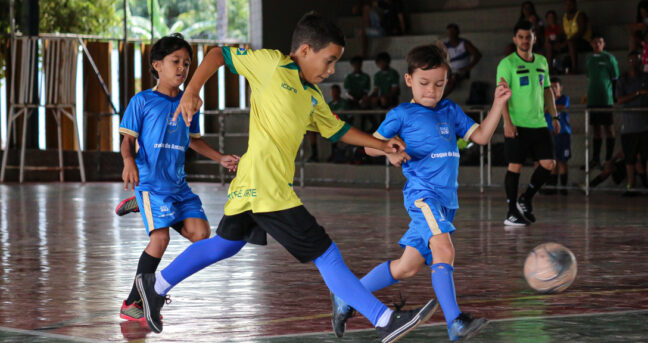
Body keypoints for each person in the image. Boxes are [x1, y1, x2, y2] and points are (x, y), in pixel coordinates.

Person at [134, 12, 438, 342]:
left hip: (254, 185)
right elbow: (217, 54)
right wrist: (192, 90)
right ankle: (384, 320)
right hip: (266, 186)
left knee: (224, 245)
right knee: (326, 253)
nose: (332, 70)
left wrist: (382, 145)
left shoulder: (312, 96)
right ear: (305, 51)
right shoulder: (271, 65)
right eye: (329, 60)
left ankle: (156, 284)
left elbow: (337, 130)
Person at [330, 44, 511, 341]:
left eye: (439, 84)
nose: (432, 91)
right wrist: (388, 151)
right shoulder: (402, 114)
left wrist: (498, 105)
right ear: (409, 80)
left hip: (445, 201)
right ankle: (455, 322)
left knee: (406, 267)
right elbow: (368, 145)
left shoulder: (450, 110)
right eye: (424, 83)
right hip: (422, 196)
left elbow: (480, 136)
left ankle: (345, 297)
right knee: (444, 248)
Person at [117, 33, 240, 322]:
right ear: (157, 65)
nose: (182, 68)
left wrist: (219, 157)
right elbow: (126, 139)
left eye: (187, 63)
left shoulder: (190, 102)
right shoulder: (143, 100)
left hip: (178, 185)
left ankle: (147, 207)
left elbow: (194, 140)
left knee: (201, 234)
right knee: (159, 240)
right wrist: (127, 161)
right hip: (150, 182)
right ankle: (133, 302)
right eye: (176, 61)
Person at [496, 20, 560, 227]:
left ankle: (526, 198)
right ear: (515, 39)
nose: (525, 41)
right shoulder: (507, 64)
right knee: (514, 166)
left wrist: (555, 116)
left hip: (539, 123)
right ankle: (511, 211)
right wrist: (507, 122)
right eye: (521, 37)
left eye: (528, 37)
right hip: (517, 124)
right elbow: (501, 95)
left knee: (549, 164)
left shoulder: (542, 61)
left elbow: (547, 90)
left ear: (534, 38)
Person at [615, 51, 648, 195]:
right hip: (629, 126)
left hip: (645, 125)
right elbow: (619, 100)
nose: (634, 63)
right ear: (628, 62)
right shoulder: (623, 79)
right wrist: (637, 93)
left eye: (637, 60)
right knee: (630, 159)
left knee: (646, 157)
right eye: (631, 60)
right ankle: (631, 186)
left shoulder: (646, 78)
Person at [585, 33, 619, 169]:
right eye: (595, 42)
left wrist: (615, 96)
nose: (597, 44)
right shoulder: (588, 59)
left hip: (606, 99)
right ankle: (595, 159)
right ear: (591, 44)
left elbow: (615, 79)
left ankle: (608, 158)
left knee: (609, 129)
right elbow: (589, 77)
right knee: (596, 129)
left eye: (600, 42)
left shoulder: (609, 58)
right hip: (593, 98)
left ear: (604, 44)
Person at [542, 77, 572, 195]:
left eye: (556, 87)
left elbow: (561, 107)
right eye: (551, 87)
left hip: (563, 133)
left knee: (562, 160)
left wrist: (549, 107)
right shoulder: (545, 99)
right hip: (549, 133)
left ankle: (564, 187)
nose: (553, 89)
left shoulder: (565, 98)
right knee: (552, 160)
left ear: (560, 87)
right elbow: (543, 110)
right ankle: (552, 186)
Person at [443, 23, 482, 98]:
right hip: (450, 71)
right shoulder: (445, 45)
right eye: (450, 32)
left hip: (461, 71)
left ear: (457, 32)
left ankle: (441, 98)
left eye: (453, 32)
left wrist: (467, 68)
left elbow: (478, 55)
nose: (451, 34)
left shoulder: (464, 43)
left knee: (453, 78)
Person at [561, 0, 592, 73]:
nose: (568, 6)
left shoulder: (580, 15)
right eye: (566, 4)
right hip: (569, 42)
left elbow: (581, 33)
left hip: (584, 42)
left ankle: (575, 68)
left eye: (570, 4)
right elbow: (563, 33)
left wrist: (566, 42)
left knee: (571, 42)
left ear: (575, 5)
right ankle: (550, 68)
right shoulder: (564, 17)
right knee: (550, 45)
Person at [328, 84, 351, 162]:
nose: (334, 93)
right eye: (332, 92)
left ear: (339, 92)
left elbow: (348, 117)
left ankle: (335, 154)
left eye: (335, 92)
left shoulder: (344, 103)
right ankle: (314, 154)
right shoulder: (329, 104)